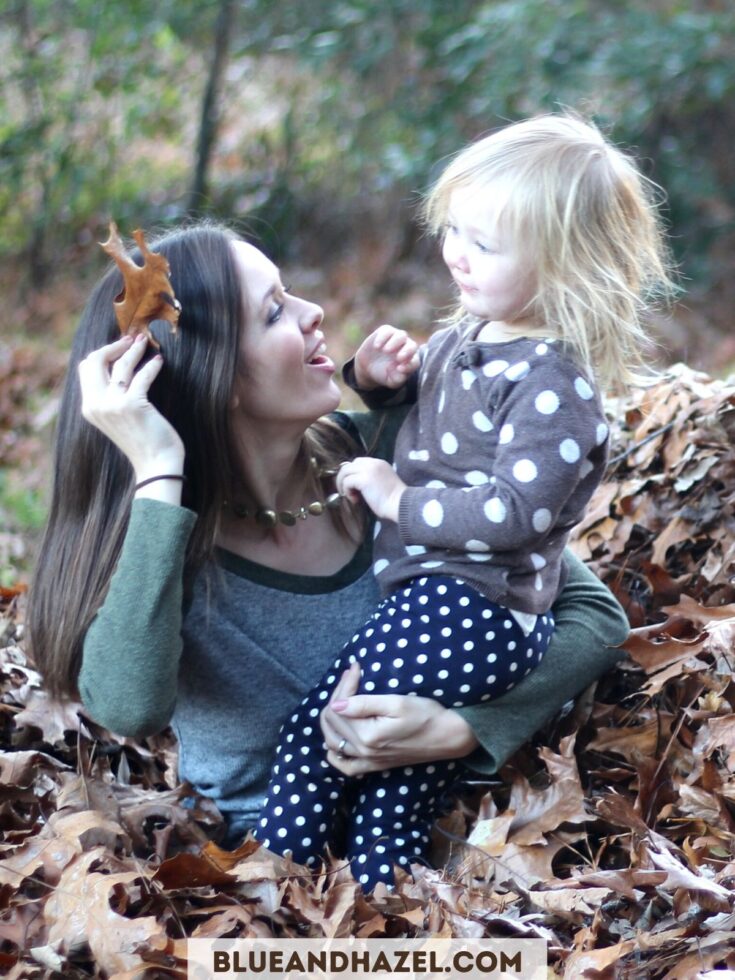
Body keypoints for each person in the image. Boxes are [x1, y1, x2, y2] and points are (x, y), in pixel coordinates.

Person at [27, 219, 630, 883]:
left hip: (459, 869)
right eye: (275, 311)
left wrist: (467, 729)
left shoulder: (390, 457)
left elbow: (593, 616)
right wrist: (160, 470)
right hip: (270, 891)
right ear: (217, 377)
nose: (315, 314)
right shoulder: (162, 538)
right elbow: (127, 706)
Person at [256, 114, 675, 888]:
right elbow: (440, 416)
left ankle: (269, 890)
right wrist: (378, 381)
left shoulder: (553, 382)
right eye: (453, 230)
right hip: (435, 604)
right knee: (394, 781)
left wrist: (397, 499)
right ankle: (381, 908)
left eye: (484, 244)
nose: (456, 252)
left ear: (565, 266)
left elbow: (516, 513)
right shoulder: (476, 331)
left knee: (315, 738)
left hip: (475, 610)